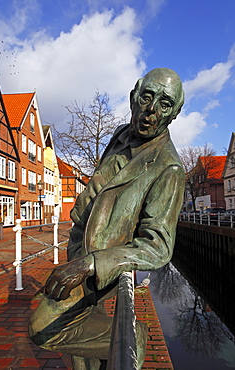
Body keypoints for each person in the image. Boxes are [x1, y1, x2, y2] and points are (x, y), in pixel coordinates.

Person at [29, 68, 185, 369]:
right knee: (81, 350)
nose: (151, 111)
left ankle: (130, 338)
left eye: (164, 104)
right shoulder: (121, 134)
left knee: (43, 327)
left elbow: (158, 246)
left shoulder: (169, 168)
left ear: (174, 114)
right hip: (79, 242)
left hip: (100, 264)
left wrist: (91, 263)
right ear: (133, 97)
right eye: (147, 97)